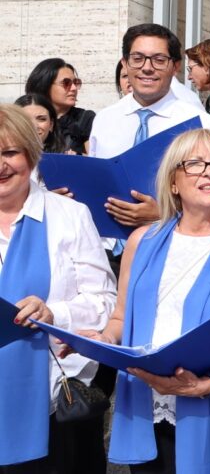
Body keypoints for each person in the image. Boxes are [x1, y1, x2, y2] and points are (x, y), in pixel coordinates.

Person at [88, 128, 210, 474]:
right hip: (151, 400)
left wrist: (205, 385)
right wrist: (99, 341)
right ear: (173, 182)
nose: (209, 171)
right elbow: (120, 319)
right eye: (194, 163)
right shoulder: (139, 241)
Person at [0, 105, 116, 473]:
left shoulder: (70, 215)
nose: (1, 165)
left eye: (9, 152)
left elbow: (105, 302)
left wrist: (54, 314)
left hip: (57, 396)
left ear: (31, 155)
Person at [89, 24, 210, 238]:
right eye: (138, 58)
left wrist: (164, 213)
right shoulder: (105, 119)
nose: (147, 68)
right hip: (107, 246)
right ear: (125, 63)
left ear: (175, 66)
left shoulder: (201, 125)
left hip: (173, 244)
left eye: (159, 60)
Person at [24, 58, 94, 155]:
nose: (74, 88)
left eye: (76, 82)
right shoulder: (23, 114)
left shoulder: (85, 119)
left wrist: (78, 157)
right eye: (66, 83)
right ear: (45, 85)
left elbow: (95, 160)